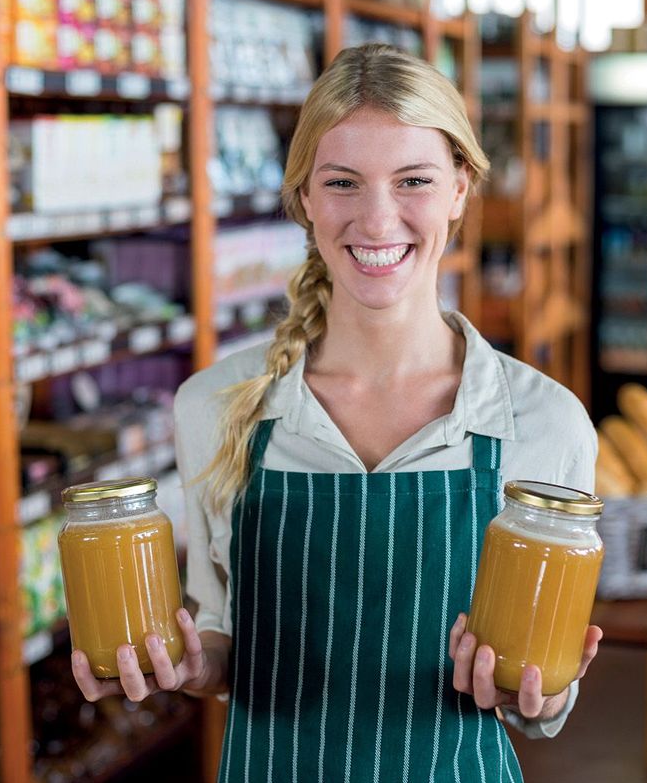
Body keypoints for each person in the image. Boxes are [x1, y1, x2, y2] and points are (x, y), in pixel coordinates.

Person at [72, 43, 602, 781]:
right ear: (304, 200)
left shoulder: (544, 422)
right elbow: (221, 638)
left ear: (460, 188)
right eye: (343, 183)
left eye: (413, 179)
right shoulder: (218, 406)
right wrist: (186, 662)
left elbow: (539, 696)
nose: (377, 218)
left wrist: (539, 695)